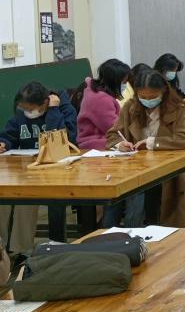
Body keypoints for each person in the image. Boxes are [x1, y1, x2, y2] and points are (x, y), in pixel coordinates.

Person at [107, 70, 185, 228]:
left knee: (161, 203)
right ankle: (126, 231)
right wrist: (120, 144)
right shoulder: (130, 108)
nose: (148, 101)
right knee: (120, 196)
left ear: (163, 92)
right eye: (143, 97)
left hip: (171, 173)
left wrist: (152, 143)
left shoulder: (178, 109)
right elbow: (113, 135)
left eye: (152, 97)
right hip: (136, 169)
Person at [0, 82, 78, 257]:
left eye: (30, 108)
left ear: (45, 102)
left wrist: (53, 111)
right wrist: (4, 143)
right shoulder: (21, 114)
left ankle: (21, 249)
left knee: (28, 201)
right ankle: (2, 248)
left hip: (56, 170)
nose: (26, 112)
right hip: (26, 168)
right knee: (4, 198)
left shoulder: (63, 110)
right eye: (23, 108)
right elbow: (10, 134)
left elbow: (65, 138)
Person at [74, 59, 131, 150]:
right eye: (123, 82)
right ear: (114, 81)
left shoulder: (96, 93)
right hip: (96, 144)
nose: (125, 85)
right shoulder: (100, 99)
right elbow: (114, 128)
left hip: (102, 141)